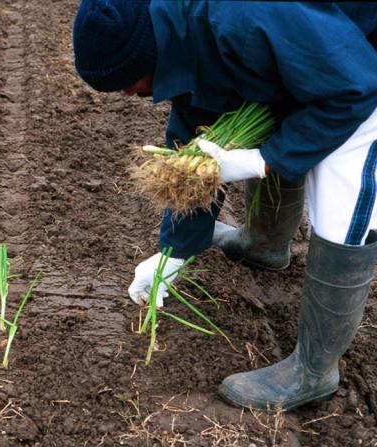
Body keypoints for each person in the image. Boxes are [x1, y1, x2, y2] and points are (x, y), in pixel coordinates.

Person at [72, 0, 377, 412]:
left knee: (342, 197)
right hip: (326, 55)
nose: (129, 93)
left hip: (361, 74)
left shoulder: (244, 18)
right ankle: (264, 246)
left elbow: (353, 89)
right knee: (278, 105)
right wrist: (175, 252)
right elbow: (197, 125)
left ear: (147, 54)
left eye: (127, 82)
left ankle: (315, 370)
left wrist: (260, 161)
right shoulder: (182, 31)